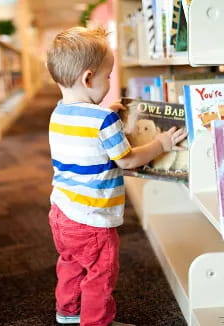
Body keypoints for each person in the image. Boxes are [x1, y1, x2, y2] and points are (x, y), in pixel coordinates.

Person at [46, 26, 187, 326]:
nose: (110, 82)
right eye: (107, 76)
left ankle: (67, 312)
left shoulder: (58, 113)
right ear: (87, 78)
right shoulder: (103, 120)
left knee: (70, 263)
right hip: (92, 218)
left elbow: (87, 135)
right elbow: (127, 160)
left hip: (61, 212)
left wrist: (107, 110)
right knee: (100, 273)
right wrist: (160, 144)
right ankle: (97, 322)